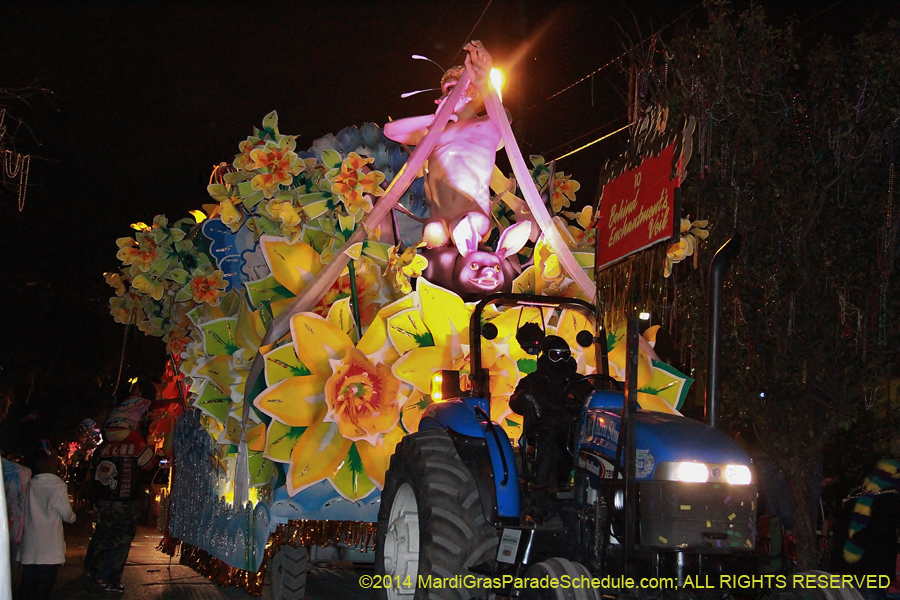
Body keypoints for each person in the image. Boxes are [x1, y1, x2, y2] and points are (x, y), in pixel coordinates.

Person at [384, 40, 507, 251]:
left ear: (473, 91)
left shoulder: (487, 125)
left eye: (449, 89)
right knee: (433, 234)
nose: (439, 99)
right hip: (439, 219)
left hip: (472, 217)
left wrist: (486, 82)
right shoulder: (432, 134)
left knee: (466, 226)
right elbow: (391, 131)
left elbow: (503, 118)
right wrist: (434, 118)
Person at [82, 384, 155, 594]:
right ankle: (111, 579)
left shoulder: (103, 448)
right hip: (125, 501)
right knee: (122, 540)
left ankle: (92, 571)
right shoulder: (136, 445)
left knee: (102, 536)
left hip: (105, 500)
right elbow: (148, 464)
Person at [509, 335, 580, 521]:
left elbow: (592, 398)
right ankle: (543, 497)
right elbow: (517, 398)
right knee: (549, 437)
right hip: (543, 433)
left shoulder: (579, 382)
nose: (562, 360)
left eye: (566, 355)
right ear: (546, 356)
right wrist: (524, 399)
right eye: (556, 355)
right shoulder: (534, 381)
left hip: (574, 431)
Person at [833, 457, 900, 600]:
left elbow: (842, 526)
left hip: (853, 560)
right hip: (875, 562)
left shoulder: (857, 493)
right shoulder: (890, 496)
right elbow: (882, 529)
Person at [18, 440, 76, 600]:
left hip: (30, 548)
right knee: (43, 589)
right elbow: (67, 514)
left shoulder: (31, 484)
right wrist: (73, 517)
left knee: (27, 588)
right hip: (49, 549)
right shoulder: (57, 486)